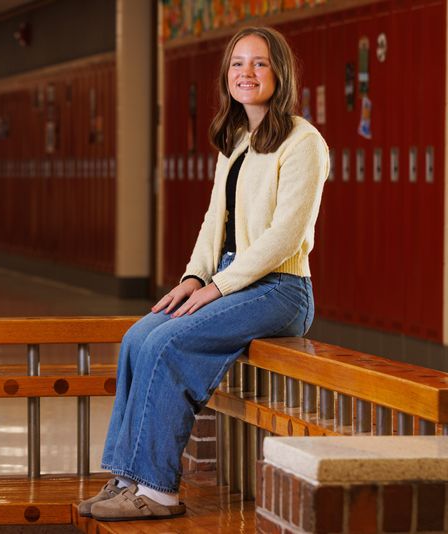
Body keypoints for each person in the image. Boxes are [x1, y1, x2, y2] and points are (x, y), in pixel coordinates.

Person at [79, 26, 329, 521]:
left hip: (281, 289)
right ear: (226, 75)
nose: (247, 73)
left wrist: (220, 286)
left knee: (168, 346)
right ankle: (128, 478)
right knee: (137, 338)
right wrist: (195, 277)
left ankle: (159, 492)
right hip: (231, 280)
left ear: (280, 73)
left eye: (259, 63)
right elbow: (215, 219)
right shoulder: (236, 139)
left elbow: (284, 236)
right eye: (238, 64)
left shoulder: (304, 142)